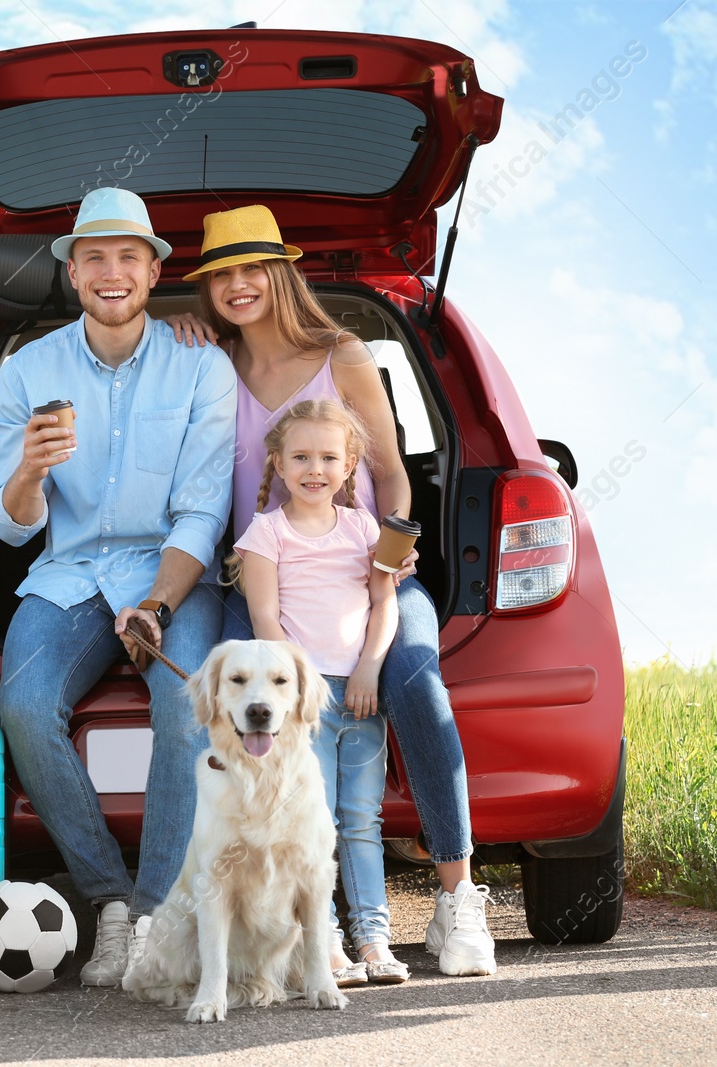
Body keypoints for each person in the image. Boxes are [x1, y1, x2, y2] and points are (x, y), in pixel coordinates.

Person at [170, 204, 497, 977]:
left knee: (417, 679)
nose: (239, 285)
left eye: (254, 269)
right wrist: (175, 330)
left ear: (283, 272)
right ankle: (252, 923)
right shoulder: (208, 358)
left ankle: (458, 898)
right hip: (259, 572)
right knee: (211, 691)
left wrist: (388, 556)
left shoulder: (341, 355)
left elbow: (391, 472)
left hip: (363, 567)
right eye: (223, 275)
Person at [0, 186, 237, 988]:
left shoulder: (203, 363)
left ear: (155, 269)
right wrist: (27, 468)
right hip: (68, 578)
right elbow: (12, 525)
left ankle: (160, 913)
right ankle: (112, 904)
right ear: (73, 273)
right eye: (94, 256)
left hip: (172, 572)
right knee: (23, 705)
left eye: (129, 255)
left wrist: (158, 605)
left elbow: (203, 510)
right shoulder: (28, 370)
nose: (112, 270)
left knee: (184, 701)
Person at [230, 399, 407, 985]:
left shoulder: (364, 529)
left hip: (359, 694)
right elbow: (266, 623)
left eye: (329, 457)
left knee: (361, 817)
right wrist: (299, 693)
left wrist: (370, 668)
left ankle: (375, 939)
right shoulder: (265, 534)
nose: (315, 468)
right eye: (301, 456)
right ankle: (324, 942)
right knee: (313, 821)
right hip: (305, 705)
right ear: (277, 464)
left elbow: (385, 604)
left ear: (350, 463)